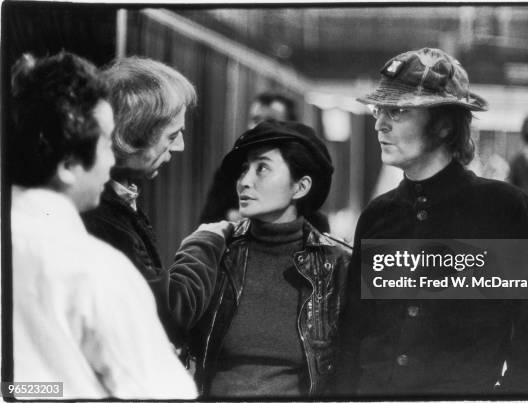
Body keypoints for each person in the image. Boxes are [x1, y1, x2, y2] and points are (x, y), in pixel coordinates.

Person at [338, 48, 528, 396]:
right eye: (379, 109)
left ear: (443, 125)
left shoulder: (504, 209)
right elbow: (352, 333)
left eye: (398, 110)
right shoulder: (378, 216)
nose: (380, 122)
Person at [9, 52, 196, 399]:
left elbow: (15, 387)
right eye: (106, 142)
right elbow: (164, 393)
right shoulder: (97, 269)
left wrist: (43, 390)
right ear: (68, 163)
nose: (111, 157)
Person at [185, 121, 351, 398]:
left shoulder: (337, 264)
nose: (244, 181)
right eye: (244, 169)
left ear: (300, 187)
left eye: (262, 168)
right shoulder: (215, 249)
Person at [81, 56, 220, 345]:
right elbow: (170, 315)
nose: (180, 146)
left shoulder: (118, 194)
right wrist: (206, 241)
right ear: (130, 134)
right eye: (172, 135)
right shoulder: (97, 214)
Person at [200, 92, 330, 232]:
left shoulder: (318, 236)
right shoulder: (229, 170)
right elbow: (209, 220)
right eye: (255, 119)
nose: (260, 127)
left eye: (271, 120)